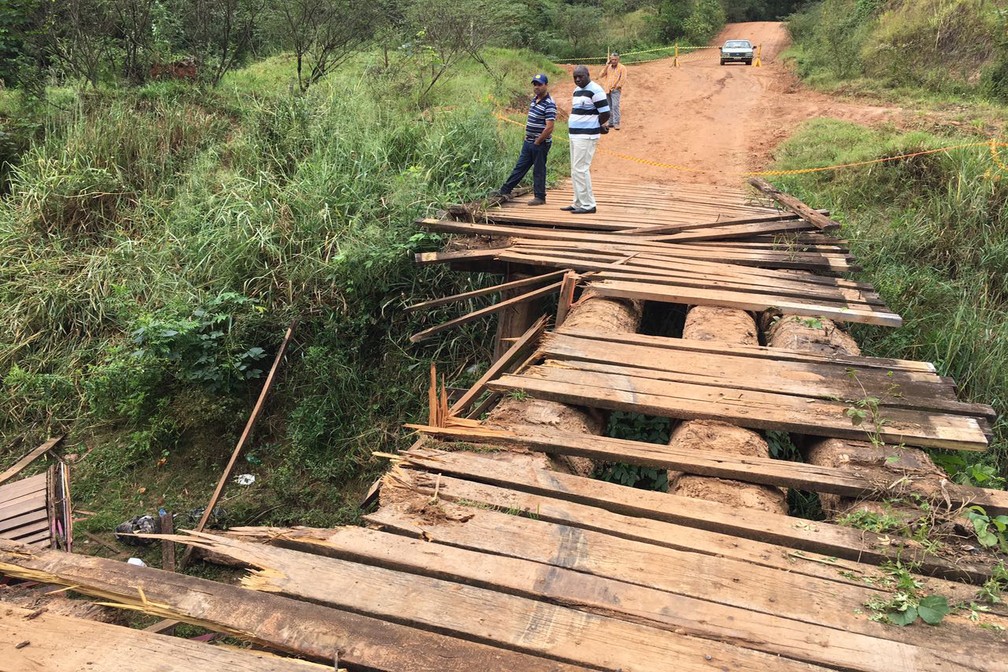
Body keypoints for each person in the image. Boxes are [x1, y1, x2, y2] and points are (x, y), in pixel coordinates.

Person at [497, 73, 557, 206]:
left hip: (540, 143)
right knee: (520, 167)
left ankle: (540, 197)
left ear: (546, 85)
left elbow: (549, 127)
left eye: (539, 84)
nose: (536, 87)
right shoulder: (534, 100)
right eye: (535, 84)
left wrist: (538, 141)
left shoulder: (549, 104)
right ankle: (504, 190)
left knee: (539, 169)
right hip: (529, 141)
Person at [564, 65, 609, 215]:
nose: (577, 79)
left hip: (586, 136)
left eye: (580, 76)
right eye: (575, 77)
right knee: (575, 170)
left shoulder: (595, 90)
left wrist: (596, 125)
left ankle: (588, 204)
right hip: (575, 135)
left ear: (588, 75)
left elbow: (605, 113)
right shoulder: (577, 91)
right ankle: (578, 202)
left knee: (581, 169)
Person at [598, 52, 626, 130]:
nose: (613, 61)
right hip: (607, 89)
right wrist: (606, 66)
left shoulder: (622, 68)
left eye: (615, 59)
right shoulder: (609, 67)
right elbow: (601, 75)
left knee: (615, 106)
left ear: (618, 59)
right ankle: (610, 123)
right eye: (612, 59)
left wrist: (617, 86)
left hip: (615, 90)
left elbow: (623, 79)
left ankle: (616, 123)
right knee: (608, 106)